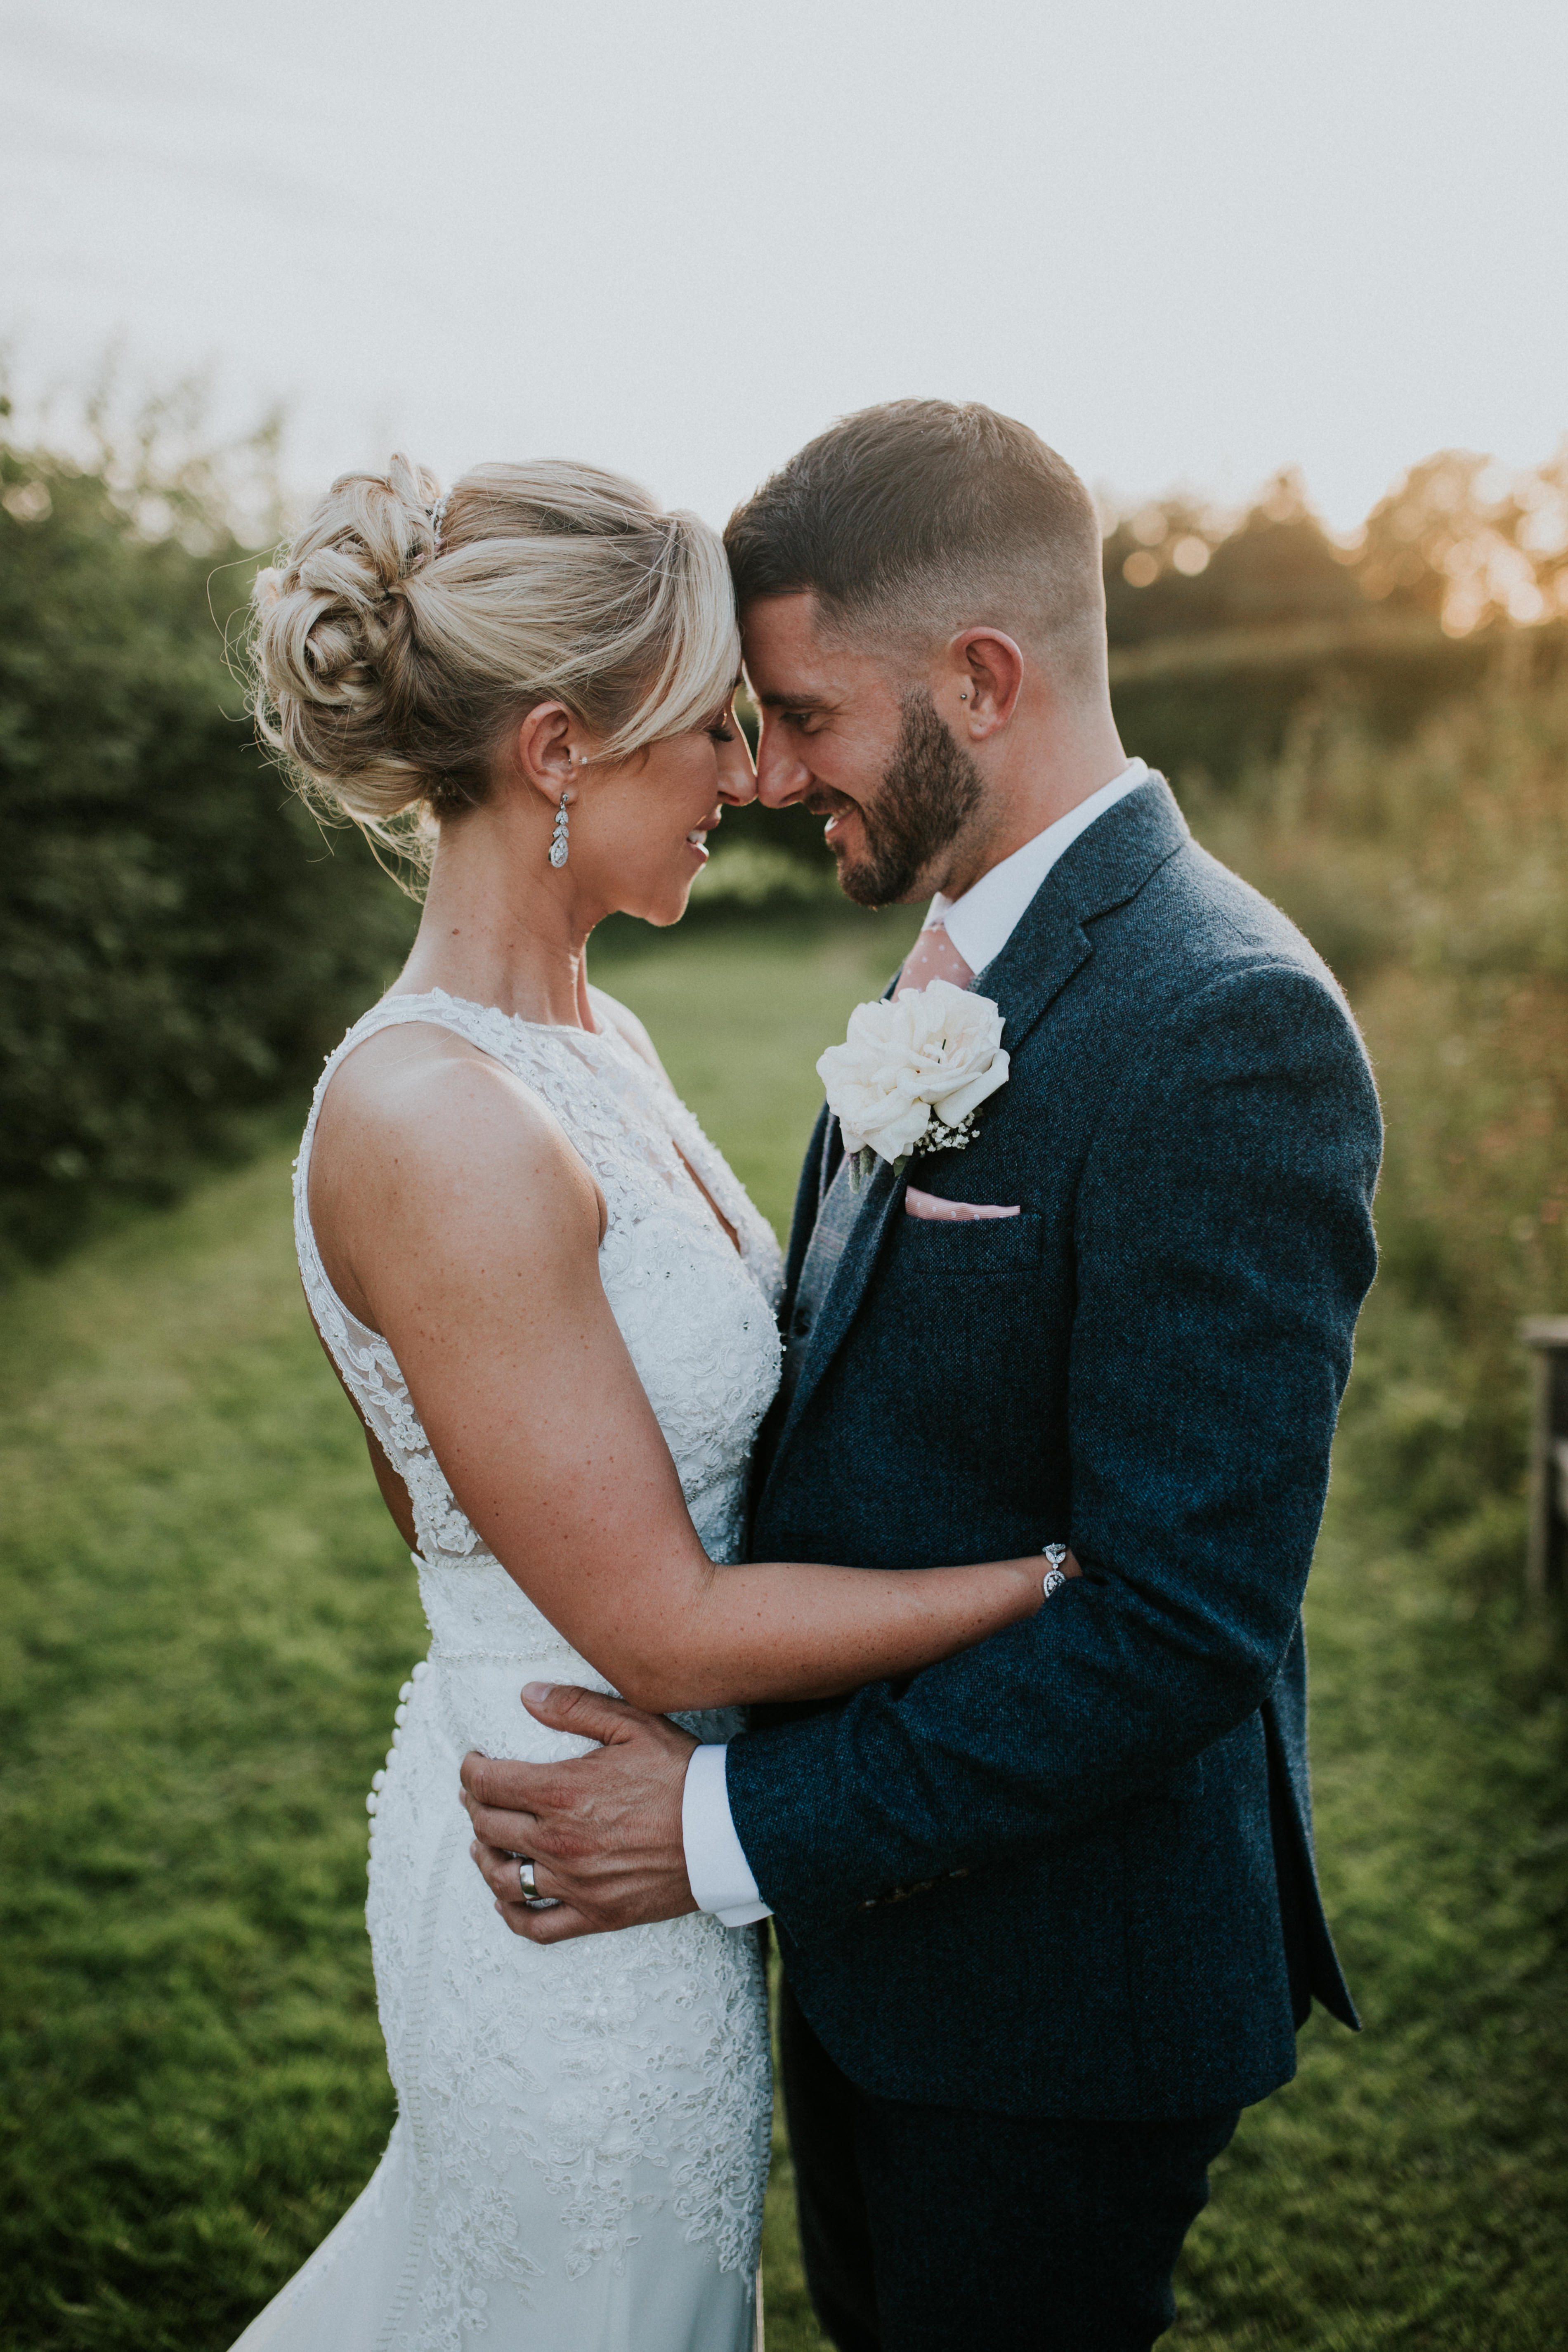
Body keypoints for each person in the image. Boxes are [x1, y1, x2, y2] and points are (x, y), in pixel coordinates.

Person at [461, 401, 1385, 2351]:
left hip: (1058, 1994)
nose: (770, 769)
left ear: (981, 676)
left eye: (802, 713)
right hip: (882, 1945)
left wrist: (723, 1835)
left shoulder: (1220, 1024)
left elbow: (1180, 1624)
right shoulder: (956, 955)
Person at [230, 453, 1065, 2352]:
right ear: (555, 750)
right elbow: (650, 1614)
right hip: (567, 1874)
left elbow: (467, 1493)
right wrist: (1054, 1580)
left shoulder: (596, 1039)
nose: (758, 777)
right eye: (713, 729)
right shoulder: (434, 1116)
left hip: (651, 1835)